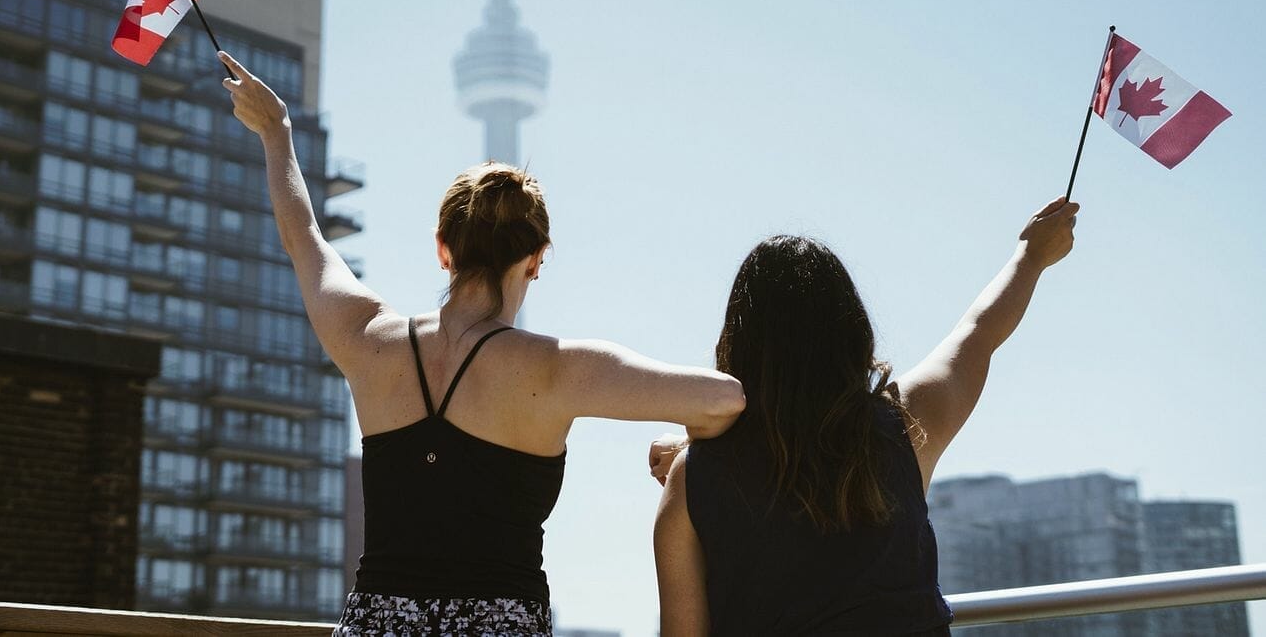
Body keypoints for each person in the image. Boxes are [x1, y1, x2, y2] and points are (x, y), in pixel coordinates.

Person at [218, 51, 746, 637]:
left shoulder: (368, 340)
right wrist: (685, 453)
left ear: (443, 249)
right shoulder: (558, 369)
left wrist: (276, 132)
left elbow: (305, 241)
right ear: (537, 260)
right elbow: (723, 399)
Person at [649, 198, 1079, 636]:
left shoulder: (693, 480)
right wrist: (1031, 255)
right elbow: (978, 332)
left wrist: (694, 458)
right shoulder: (906, 428)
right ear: (852, 332)